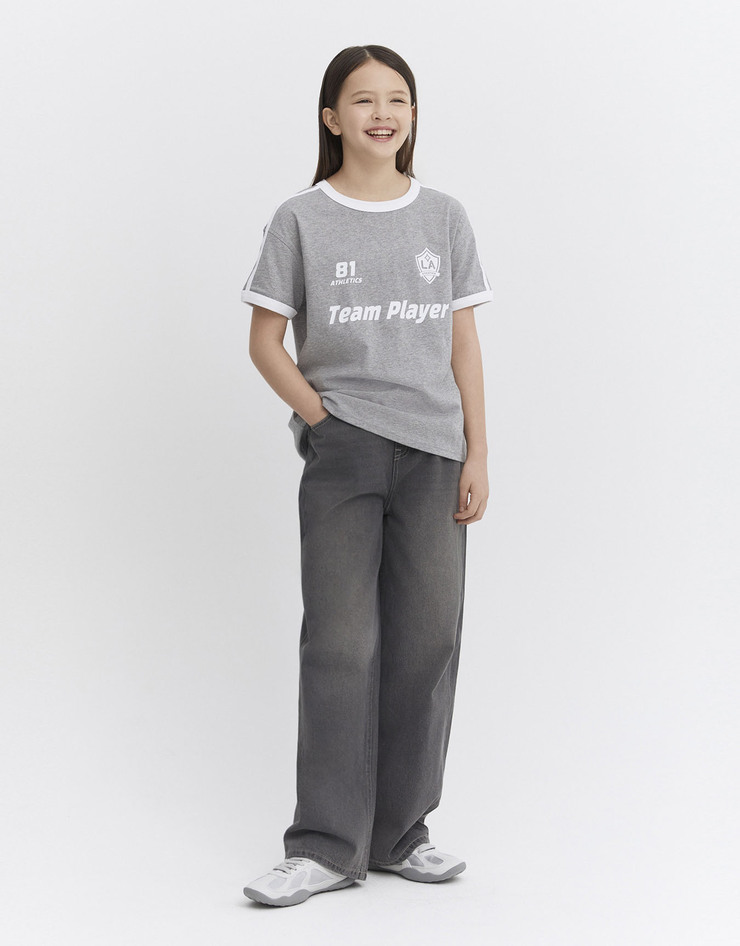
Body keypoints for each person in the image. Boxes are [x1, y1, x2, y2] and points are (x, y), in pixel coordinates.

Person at [240, 44, 493, 907]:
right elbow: (265, 342)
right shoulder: (301, 219)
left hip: (435, 454)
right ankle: (323, 845)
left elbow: (464, 344)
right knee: (341, 642)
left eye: (397, 99)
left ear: (413, 116)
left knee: (428, 642)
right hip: (344, 451)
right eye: (363, 99)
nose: (382, 113)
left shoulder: (445, 216)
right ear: (331, 117)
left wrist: (477, 452)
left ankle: (397, 834)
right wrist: (323, 419)